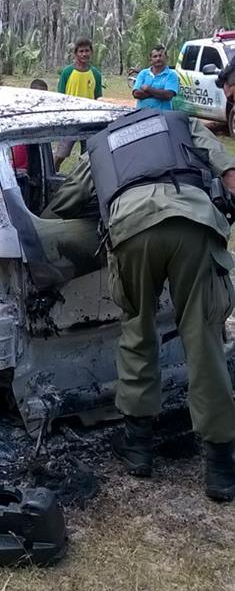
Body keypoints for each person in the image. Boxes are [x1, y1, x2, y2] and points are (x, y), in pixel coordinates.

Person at [45, 107, 235, 502]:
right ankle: (220, 468)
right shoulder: (182, 122)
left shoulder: (101, 144)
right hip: (194, 222)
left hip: (132, 230)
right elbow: (229, 172)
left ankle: (138, 449)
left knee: (137, 329)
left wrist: (40, 223)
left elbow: (68, 201)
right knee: (204, 339)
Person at [55, 38, 102, 171]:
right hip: (70, 120)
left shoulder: (96, 74)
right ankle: (52, 175)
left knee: (87, 158)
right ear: (75, 54)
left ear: (91, 52)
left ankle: (82, 184)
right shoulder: (67, 72)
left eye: (87, 51)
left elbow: (98, 97)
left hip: (89, 121)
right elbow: (60, 96)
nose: (84, 54)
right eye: (81, 51)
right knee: (60, 155)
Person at [132, 45, 179, 110]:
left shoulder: (171, 75)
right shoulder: (143, 73)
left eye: (160, 55)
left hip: (162, 116)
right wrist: (159, 93)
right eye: (155, 56)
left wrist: (148, 88)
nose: (158, 59)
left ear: (166, 57)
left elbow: (168, 95)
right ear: (150, 59)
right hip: (142, 115)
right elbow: (136, 94)